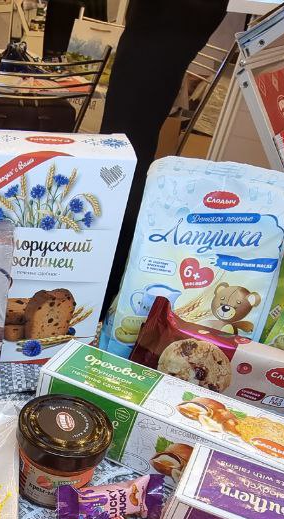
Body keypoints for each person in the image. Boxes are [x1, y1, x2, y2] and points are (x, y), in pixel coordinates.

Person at [99, 0, 228, 307]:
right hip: (172, 24)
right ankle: (110, 275)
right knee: (132, 147)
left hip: (164, 20)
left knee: (124, 153)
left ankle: (105, 280)